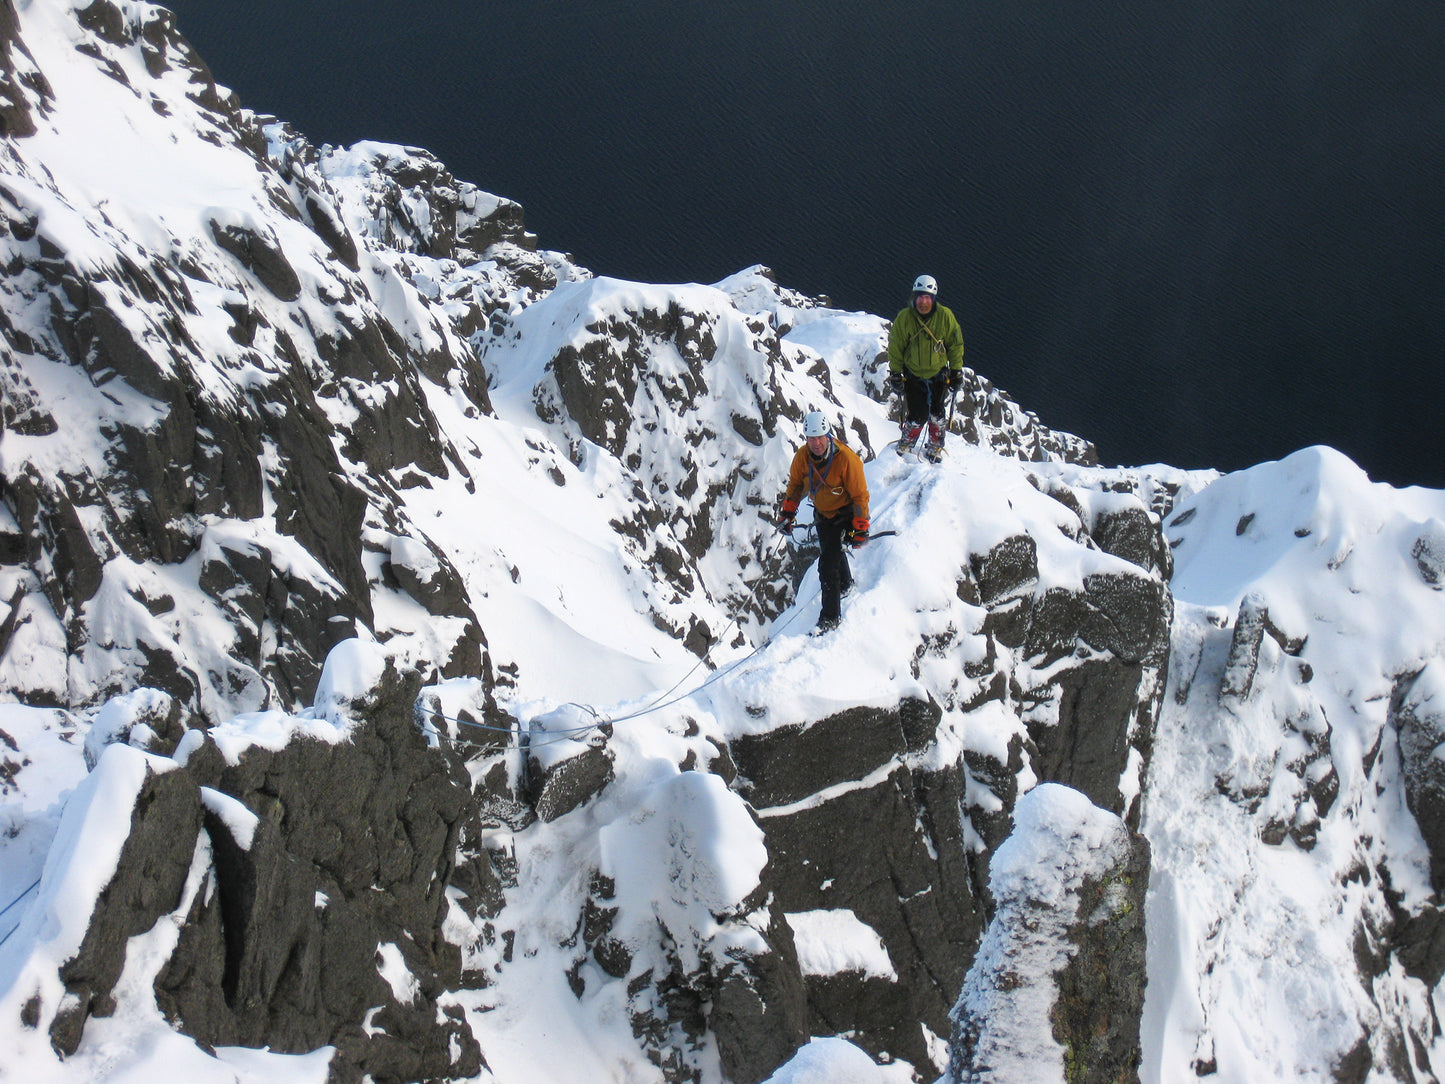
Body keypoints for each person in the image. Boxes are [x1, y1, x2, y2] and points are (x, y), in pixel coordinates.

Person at [776, 411, 870, 633]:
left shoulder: (847, 460)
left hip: (847, 515)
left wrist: (860, 528)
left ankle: (830, 617)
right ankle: (845, 584)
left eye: (820, 437)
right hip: (824, 515)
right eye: (811, 438)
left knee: (827, 564)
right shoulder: (802, 458)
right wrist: (787, 513)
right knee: (832, 552)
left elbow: (859, 496)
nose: (816, 443)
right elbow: (796, 486)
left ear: (828, 435)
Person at [887, 274, 965, 461]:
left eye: (927, 298)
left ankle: (935, 447)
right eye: (920, 297)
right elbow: (896, 347)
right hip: (913, 376)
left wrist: (956, 371)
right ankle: (907, 443)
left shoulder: (945, 317)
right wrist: (896, 373)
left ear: (933, 299)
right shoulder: (904, 318)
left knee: (937, 413)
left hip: (938, 374)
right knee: (918, 414)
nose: (923, 302)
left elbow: (955, 344)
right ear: (914, 297)